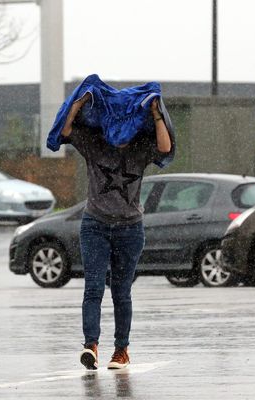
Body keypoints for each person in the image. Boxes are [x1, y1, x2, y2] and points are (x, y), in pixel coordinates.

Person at [60, 92, 174, 370]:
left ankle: (121, 351)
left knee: (121, 292)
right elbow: (66, 131)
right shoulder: (95, 144)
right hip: (95, 225)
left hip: (130, 229)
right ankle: (91, 346)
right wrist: (76, 105)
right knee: (93, 288)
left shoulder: (141, 147)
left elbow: (165, 147)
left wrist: (157, 113)